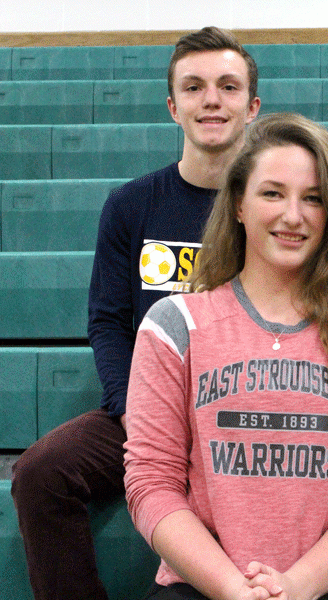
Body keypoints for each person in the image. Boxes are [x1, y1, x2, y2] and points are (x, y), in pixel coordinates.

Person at [124, 112, 328, 600]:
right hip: (204, 587)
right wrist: (233, 588)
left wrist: (297, 586)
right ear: (238, 205)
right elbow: (151, 482)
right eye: (272, 193)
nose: (293, 216)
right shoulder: (175, 326)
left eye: (313, 198)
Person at [10, 26, 261, 600]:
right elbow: (106, 321)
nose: (211, 100)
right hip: (147, 408)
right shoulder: (131, 205)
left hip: (243, 403)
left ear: (252, 106)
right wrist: (134, 410)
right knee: (40, 473)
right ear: (174, 106)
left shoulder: (271, 209)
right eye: (194, 88)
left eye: (227, 86)